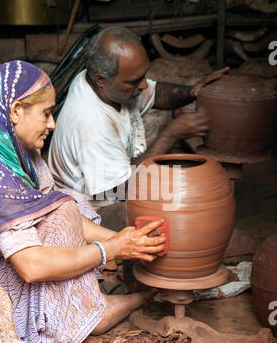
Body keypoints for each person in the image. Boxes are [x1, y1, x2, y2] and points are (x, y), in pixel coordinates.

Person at [0, 60, 167, 343]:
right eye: (46, 113)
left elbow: (63, 215)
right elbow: (32, 265)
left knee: (66, 202)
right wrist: (111, 250)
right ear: (15, 111)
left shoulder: (18, 153)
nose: (52, 124)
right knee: (62, 210)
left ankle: (90, 310)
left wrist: (125, 240)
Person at [48, 26, 229, 231]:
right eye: (135, 81)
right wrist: (171, 134)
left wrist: (191, 91)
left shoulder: (108, 86)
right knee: (172, 213)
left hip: (117, 187)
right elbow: (126, 189)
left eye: (143, 76)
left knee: (193, 189)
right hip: (91, 213)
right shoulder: (88, 123)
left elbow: (155, 93)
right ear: (101, 79)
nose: (143, 85)